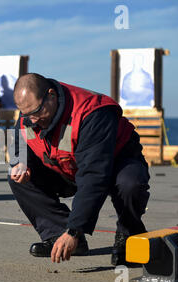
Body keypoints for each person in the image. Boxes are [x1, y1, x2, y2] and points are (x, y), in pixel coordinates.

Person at [8, 73, 150, 266]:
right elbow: (19, 138)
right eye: (26, 115)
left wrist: (75, 229)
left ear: (51, 95)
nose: (32, 121)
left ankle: (128, 235)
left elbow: (94, 175)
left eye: (37, 112)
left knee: (130, 185)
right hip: (68, 166)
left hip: (117, 161)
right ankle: (60, 234)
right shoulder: (31, 112)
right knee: (19, 180)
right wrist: (21, 162)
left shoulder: (92, 112)